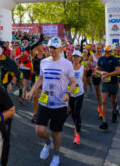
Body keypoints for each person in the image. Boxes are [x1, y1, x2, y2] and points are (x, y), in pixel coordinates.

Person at [25, 37, 75, 166]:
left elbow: (73, 82)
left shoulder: (67, 64)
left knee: (55, 132)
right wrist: (31, 91)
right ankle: (48, 143)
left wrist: (68, 93)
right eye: (50, 48)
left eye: (54, 48)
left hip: (59, 104)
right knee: (39, 130)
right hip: (44, 101)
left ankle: (56, 156)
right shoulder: (44, 62)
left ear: (60, 49)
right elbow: (41, 78)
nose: (52, 50)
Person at [95, 45, 120, 130]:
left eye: (109, 52)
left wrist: (108, 74)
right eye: (106, 52)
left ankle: (114, 111)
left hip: (113, 83)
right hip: (105, 83)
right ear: (104, 52)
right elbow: (96, 70)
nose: (107, 53)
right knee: (103, 102)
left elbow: (119, 71)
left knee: (113, 100)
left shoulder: (115, 59)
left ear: (111, 52)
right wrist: (101, 72)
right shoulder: (101, 59)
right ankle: (104, 122)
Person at [69, 50, 87, 145]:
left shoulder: (83, 68)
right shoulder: (69, 68)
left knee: (77, 111)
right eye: (74, 57)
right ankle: (77, 125)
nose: (75, 58)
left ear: (80, 58)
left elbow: (84, 80)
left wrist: (85, 91)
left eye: (77, 57)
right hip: (71, 93)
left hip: (80, 93)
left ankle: (77, 133)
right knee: (72, 113)